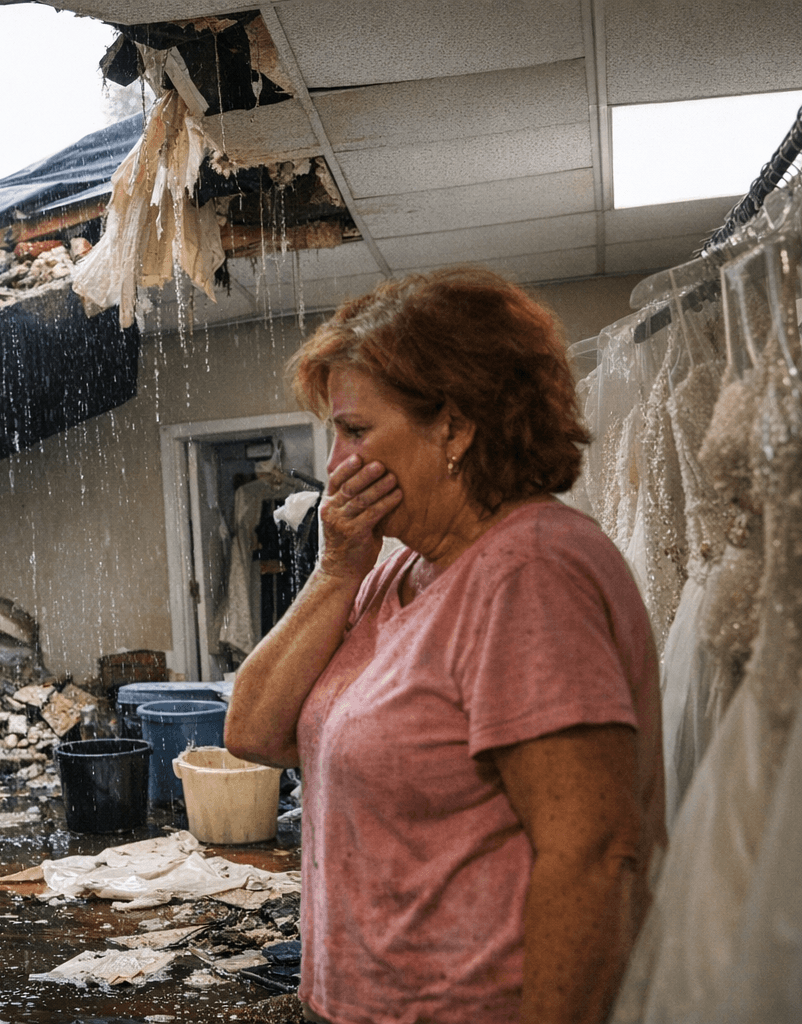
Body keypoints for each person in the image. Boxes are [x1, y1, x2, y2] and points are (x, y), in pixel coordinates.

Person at [224, 267, 666, 1024]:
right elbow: (254, 732)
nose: (334, 467)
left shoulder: (529, 572)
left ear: (455, 428)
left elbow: (593, 858)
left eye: (357, 431)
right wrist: (335, 572)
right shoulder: (388, 567)